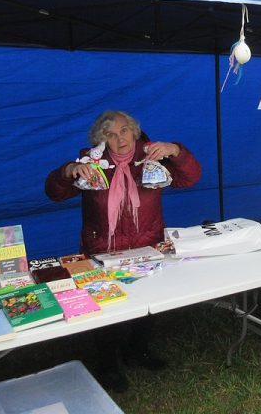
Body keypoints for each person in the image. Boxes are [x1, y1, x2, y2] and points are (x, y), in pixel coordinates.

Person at [45, 110, 202, 391]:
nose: (120, 139)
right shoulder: (91, 162)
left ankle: (137, 351)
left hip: (147, 246)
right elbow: (54, 193)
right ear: (101, 140)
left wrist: (176, 150)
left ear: (135, 132)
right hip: (102, 249)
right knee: (109, 309)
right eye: (111, 135)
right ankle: (107, 364)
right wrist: (68, 171)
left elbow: (190, 177)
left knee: (149, 305)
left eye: (125, 131)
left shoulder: (154, 156)